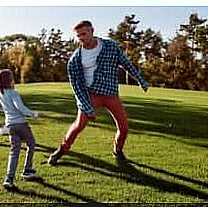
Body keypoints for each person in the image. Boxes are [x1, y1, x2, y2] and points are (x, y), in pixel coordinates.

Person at [48, 20, 149, 165]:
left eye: (84, 33)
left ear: (92, 31)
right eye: (78, 35)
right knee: (79, 125)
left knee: (124, 127)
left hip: (111, 94)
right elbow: (76, 87)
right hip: (91, 95)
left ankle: (118, 150)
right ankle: (61, 150)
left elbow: (126, 63)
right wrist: (86, 106)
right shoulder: (75, 60)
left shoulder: (110, 46)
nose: (81, 37)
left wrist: (140, 80)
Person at [0, 69, 40, 189]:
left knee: (14, 151)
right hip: (21, 124)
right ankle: (27, 169)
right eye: (12, 78)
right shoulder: (13, 92)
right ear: (9, 81)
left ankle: (9, 179)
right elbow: (20, 107)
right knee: (31, 144)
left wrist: (7, 111)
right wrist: (33, 114)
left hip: (10, 126)